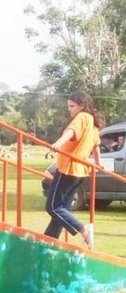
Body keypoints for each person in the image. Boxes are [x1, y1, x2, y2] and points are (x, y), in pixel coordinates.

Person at [45, 91, 102, 248]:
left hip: (68, 169)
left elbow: (71, 132)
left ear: (82, 106)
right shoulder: (93, 123)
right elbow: (96, 147)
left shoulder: (82, 117)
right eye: (68, 106)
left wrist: (58, 143)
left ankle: (83, 228)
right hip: (81, 172)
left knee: (53, 207)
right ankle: (49, 242)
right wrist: (97, 164)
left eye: (72, 106)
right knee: (61, 210)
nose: (69, 109)